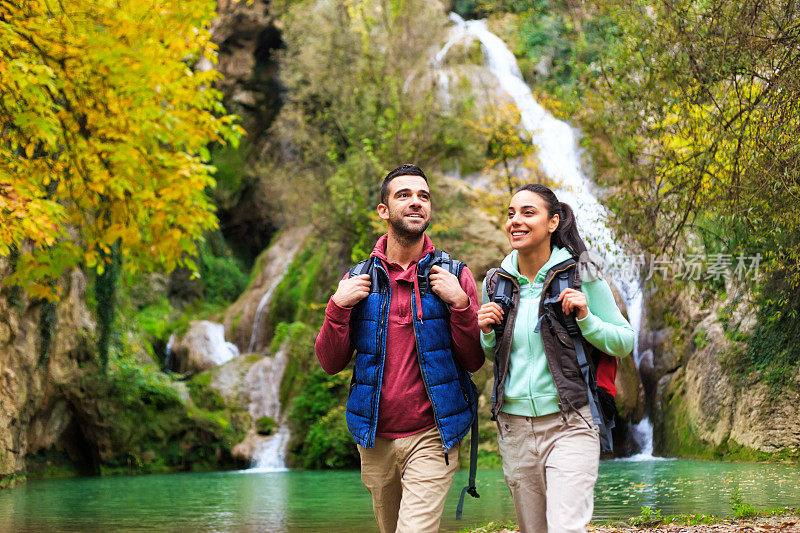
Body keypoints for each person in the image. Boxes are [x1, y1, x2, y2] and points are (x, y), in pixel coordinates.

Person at [315, 163, 484, 533]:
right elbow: (330, 362)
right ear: (383, 210)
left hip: (433, 434)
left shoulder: (455, 275)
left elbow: (474, 359)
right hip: (374, 439)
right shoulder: (357, 279)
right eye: (404, 195)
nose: (415, 202)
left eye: (423, 196)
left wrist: (460, 305)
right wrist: (338, 306)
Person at [478, 184, 634, 533]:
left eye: (527, 212)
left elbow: (624, 341)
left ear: (553, 222)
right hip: (515, 430)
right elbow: (493, 354)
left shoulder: (582, 274)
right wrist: (487, 333)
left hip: (571, 421)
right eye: (511, 213)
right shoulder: (496, 282)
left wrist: (587, 320)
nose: (515, 221)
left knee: (566, 527)